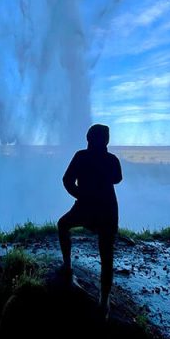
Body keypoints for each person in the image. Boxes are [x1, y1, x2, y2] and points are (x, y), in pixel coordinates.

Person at [57, 124, 122, 319]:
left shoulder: (81, 156)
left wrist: (80, 195)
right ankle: (104, 300)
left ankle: (68, 266)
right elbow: (117, 178)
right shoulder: (111, 160)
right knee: (106, 253)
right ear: (106, 140)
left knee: (63, 225)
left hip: (86, 207)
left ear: (88, 138)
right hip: (107, 209)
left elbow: (67, 180)